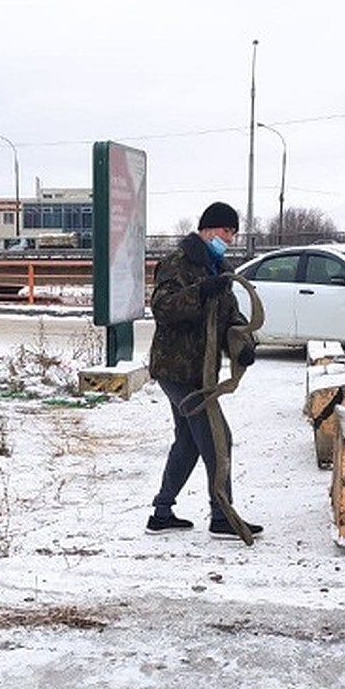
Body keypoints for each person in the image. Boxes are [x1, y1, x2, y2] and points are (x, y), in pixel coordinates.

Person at [146, 201, 263, 539]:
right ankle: (222, 516)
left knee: (188, 440)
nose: (230, 238)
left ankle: (162, 512)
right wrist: (199, 293)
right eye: (226, 231)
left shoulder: (219, 268)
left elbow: (232, 319)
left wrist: (243, 348)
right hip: (176, 369)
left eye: (233, 233)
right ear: (208, 229)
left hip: (201, 371)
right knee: (216, 436)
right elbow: (163, 308)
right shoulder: (177, 263)